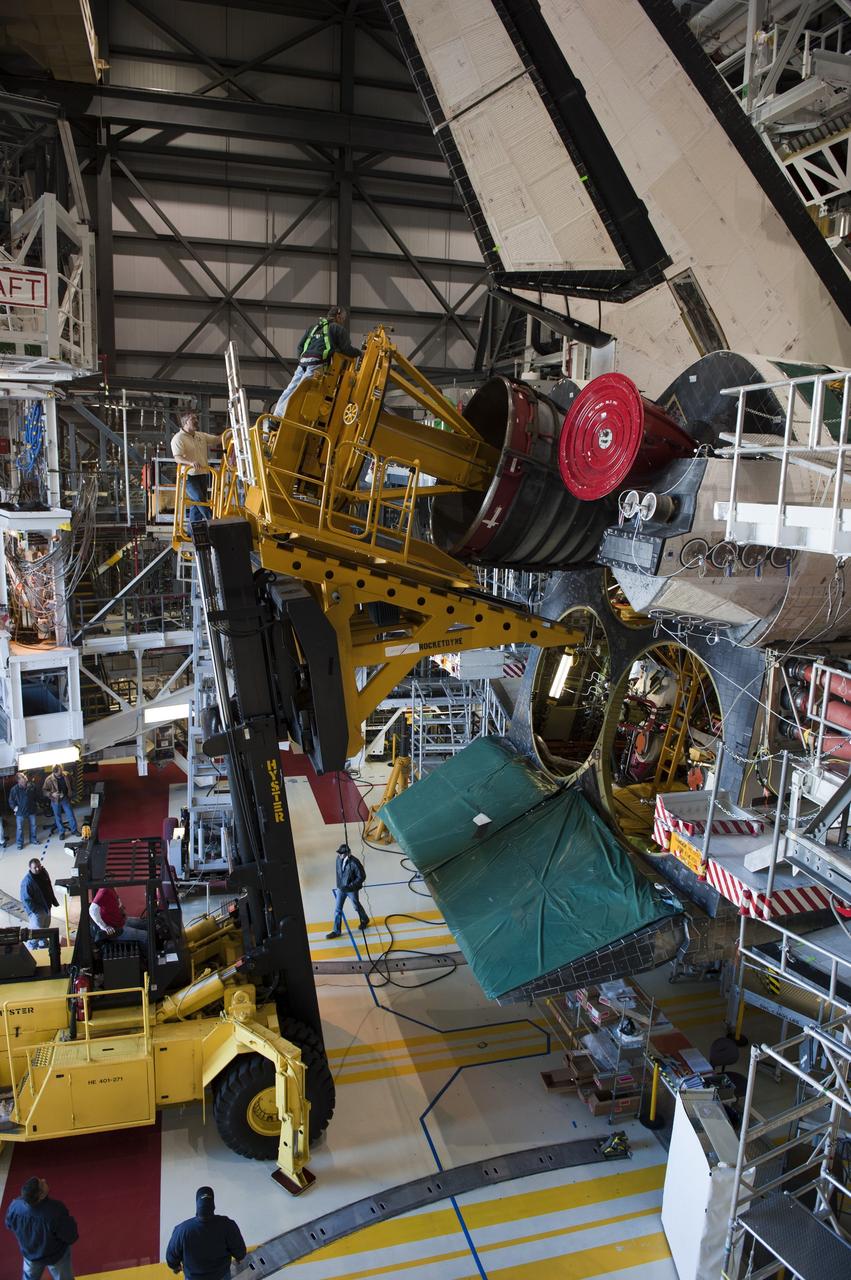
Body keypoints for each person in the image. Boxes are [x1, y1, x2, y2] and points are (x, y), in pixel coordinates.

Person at [273, 306, 359, 417]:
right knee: (300, 391)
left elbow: (300, 346)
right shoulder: (337, 329)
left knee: (290, 388)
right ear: (338, 317)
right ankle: (284, 416)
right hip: (317, 363)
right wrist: (360, 353)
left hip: (303, 363)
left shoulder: (313, 328)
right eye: (343, 319)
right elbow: (346, 349)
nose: (343, 321)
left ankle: (276, 416)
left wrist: (302, 361)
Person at [5, 1175, 78, 1280]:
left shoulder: (14, 1206)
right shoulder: (56, 1211)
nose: (44, 1180)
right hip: (55, 1256)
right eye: (42, 1183)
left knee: (29, 1277)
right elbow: (71, 1236)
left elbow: (9, 1224)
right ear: (41, 1195)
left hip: (30, 1255)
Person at [166, 1186, 246, 1280]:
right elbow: (240, 1252)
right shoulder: (227, 1225)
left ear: (197, 1205)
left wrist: (176, 1267)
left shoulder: (182, 1230)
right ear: (213, 1205)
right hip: (221, 1276)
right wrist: (238, 1257)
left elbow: (171, 1258)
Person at [171, 410, 223, 524]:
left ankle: (193, 532)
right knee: (200, 500)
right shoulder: (178, 438)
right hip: (188, 476)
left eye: (196, 419)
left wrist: (232, 431)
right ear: (185, 422)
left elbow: (217, 439)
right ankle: (214, 522)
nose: (196, 421)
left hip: (202, 474)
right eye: (193, 419)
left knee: (197, 504)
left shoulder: (201, 435)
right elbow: (177, 458)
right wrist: (190, 463)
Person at [89, 883, 149, 954]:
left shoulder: (110, 887)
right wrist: (104, 927)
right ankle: (149, 960)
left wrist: (121, 910)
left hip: (121, 921)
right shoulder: (104, 891)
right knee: (146, 936)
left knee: (147, 923)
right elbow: (92, 910)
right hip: (116, 930)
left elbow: (116, 900)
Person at [326, 843, 369, 939]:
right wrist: (339, 885)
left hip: (351, 890)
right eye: (339, 853)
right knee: (338, 909)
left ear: (348, 853)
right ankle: (336, 931)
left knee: (356, 906)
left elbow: (362, 876)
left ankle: (364, 919)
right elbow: (339, 873)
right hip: (341, 889)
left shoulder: (354, 863)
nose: (339, 855)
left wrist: (351, 886)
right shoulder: (338, 859)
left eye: (342, 853)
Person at [20, 857, 58, 949]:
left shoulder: (44, 873)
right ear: (30, 868)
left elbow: (49, 886)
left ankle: (43, 946)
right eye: (35, 867)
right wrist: (36, 911)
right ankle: (31, 949)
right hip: (37, 912)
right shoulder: (27, 882)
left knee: (45, 930)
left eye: (39, 866)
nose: (38, 869)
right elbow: (26, 899)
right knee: (35, 935)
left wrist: (52, 901)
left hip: (47, 907)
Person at [42, 765, 79, 838]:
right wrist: (52, 794)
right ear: (55, 772)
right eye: (60, 771)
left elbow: (73, 782)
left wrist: (72, 791)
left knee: (70, 814)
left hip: (65, 798)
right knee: (57, 817)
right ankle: (61, 832)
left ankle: (74, 830)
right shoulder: (49, 779)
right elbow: (44, 791)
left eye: (61, 770)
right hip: (55, 800)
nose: (61, 772)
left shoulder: (66, 775)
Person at [10, 771, 39, 850]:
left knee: (33, 826)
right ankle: (19, 843)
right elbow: (11, 801)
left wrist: (37, 803)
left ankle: (33, 839)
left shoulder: (31, 786)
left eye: (24, 776)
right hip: (20, 812)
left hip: (31, 809)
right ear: (19, 780)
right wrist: (14, 808)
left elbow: (36, 796)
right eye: (22, 777)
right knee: (20, 828)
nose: (25, 777)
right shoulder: (14, 789)